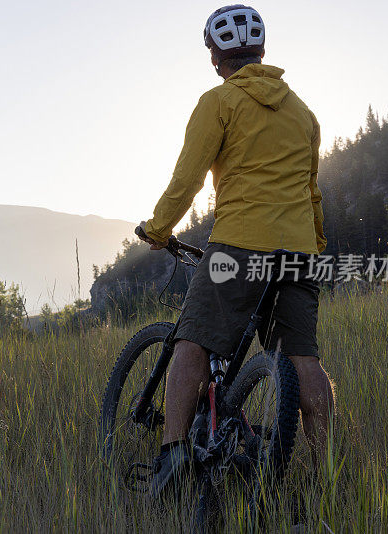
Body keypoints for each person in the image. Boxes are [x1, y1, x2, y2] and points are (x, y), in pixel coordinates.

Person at [135, 4, 335, 496]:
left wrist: (159, 230)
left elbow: (188, 178)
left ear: (215, 58)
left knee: (193, 340)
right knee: (302, 361)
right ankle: (326, 474)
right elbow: (312, 192)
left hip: (240, 245)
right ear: (262, 52)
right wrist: (316, 248)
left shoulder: (219, 101)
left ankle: (172, 457)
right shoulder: (304, 114)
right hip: (298, 253)